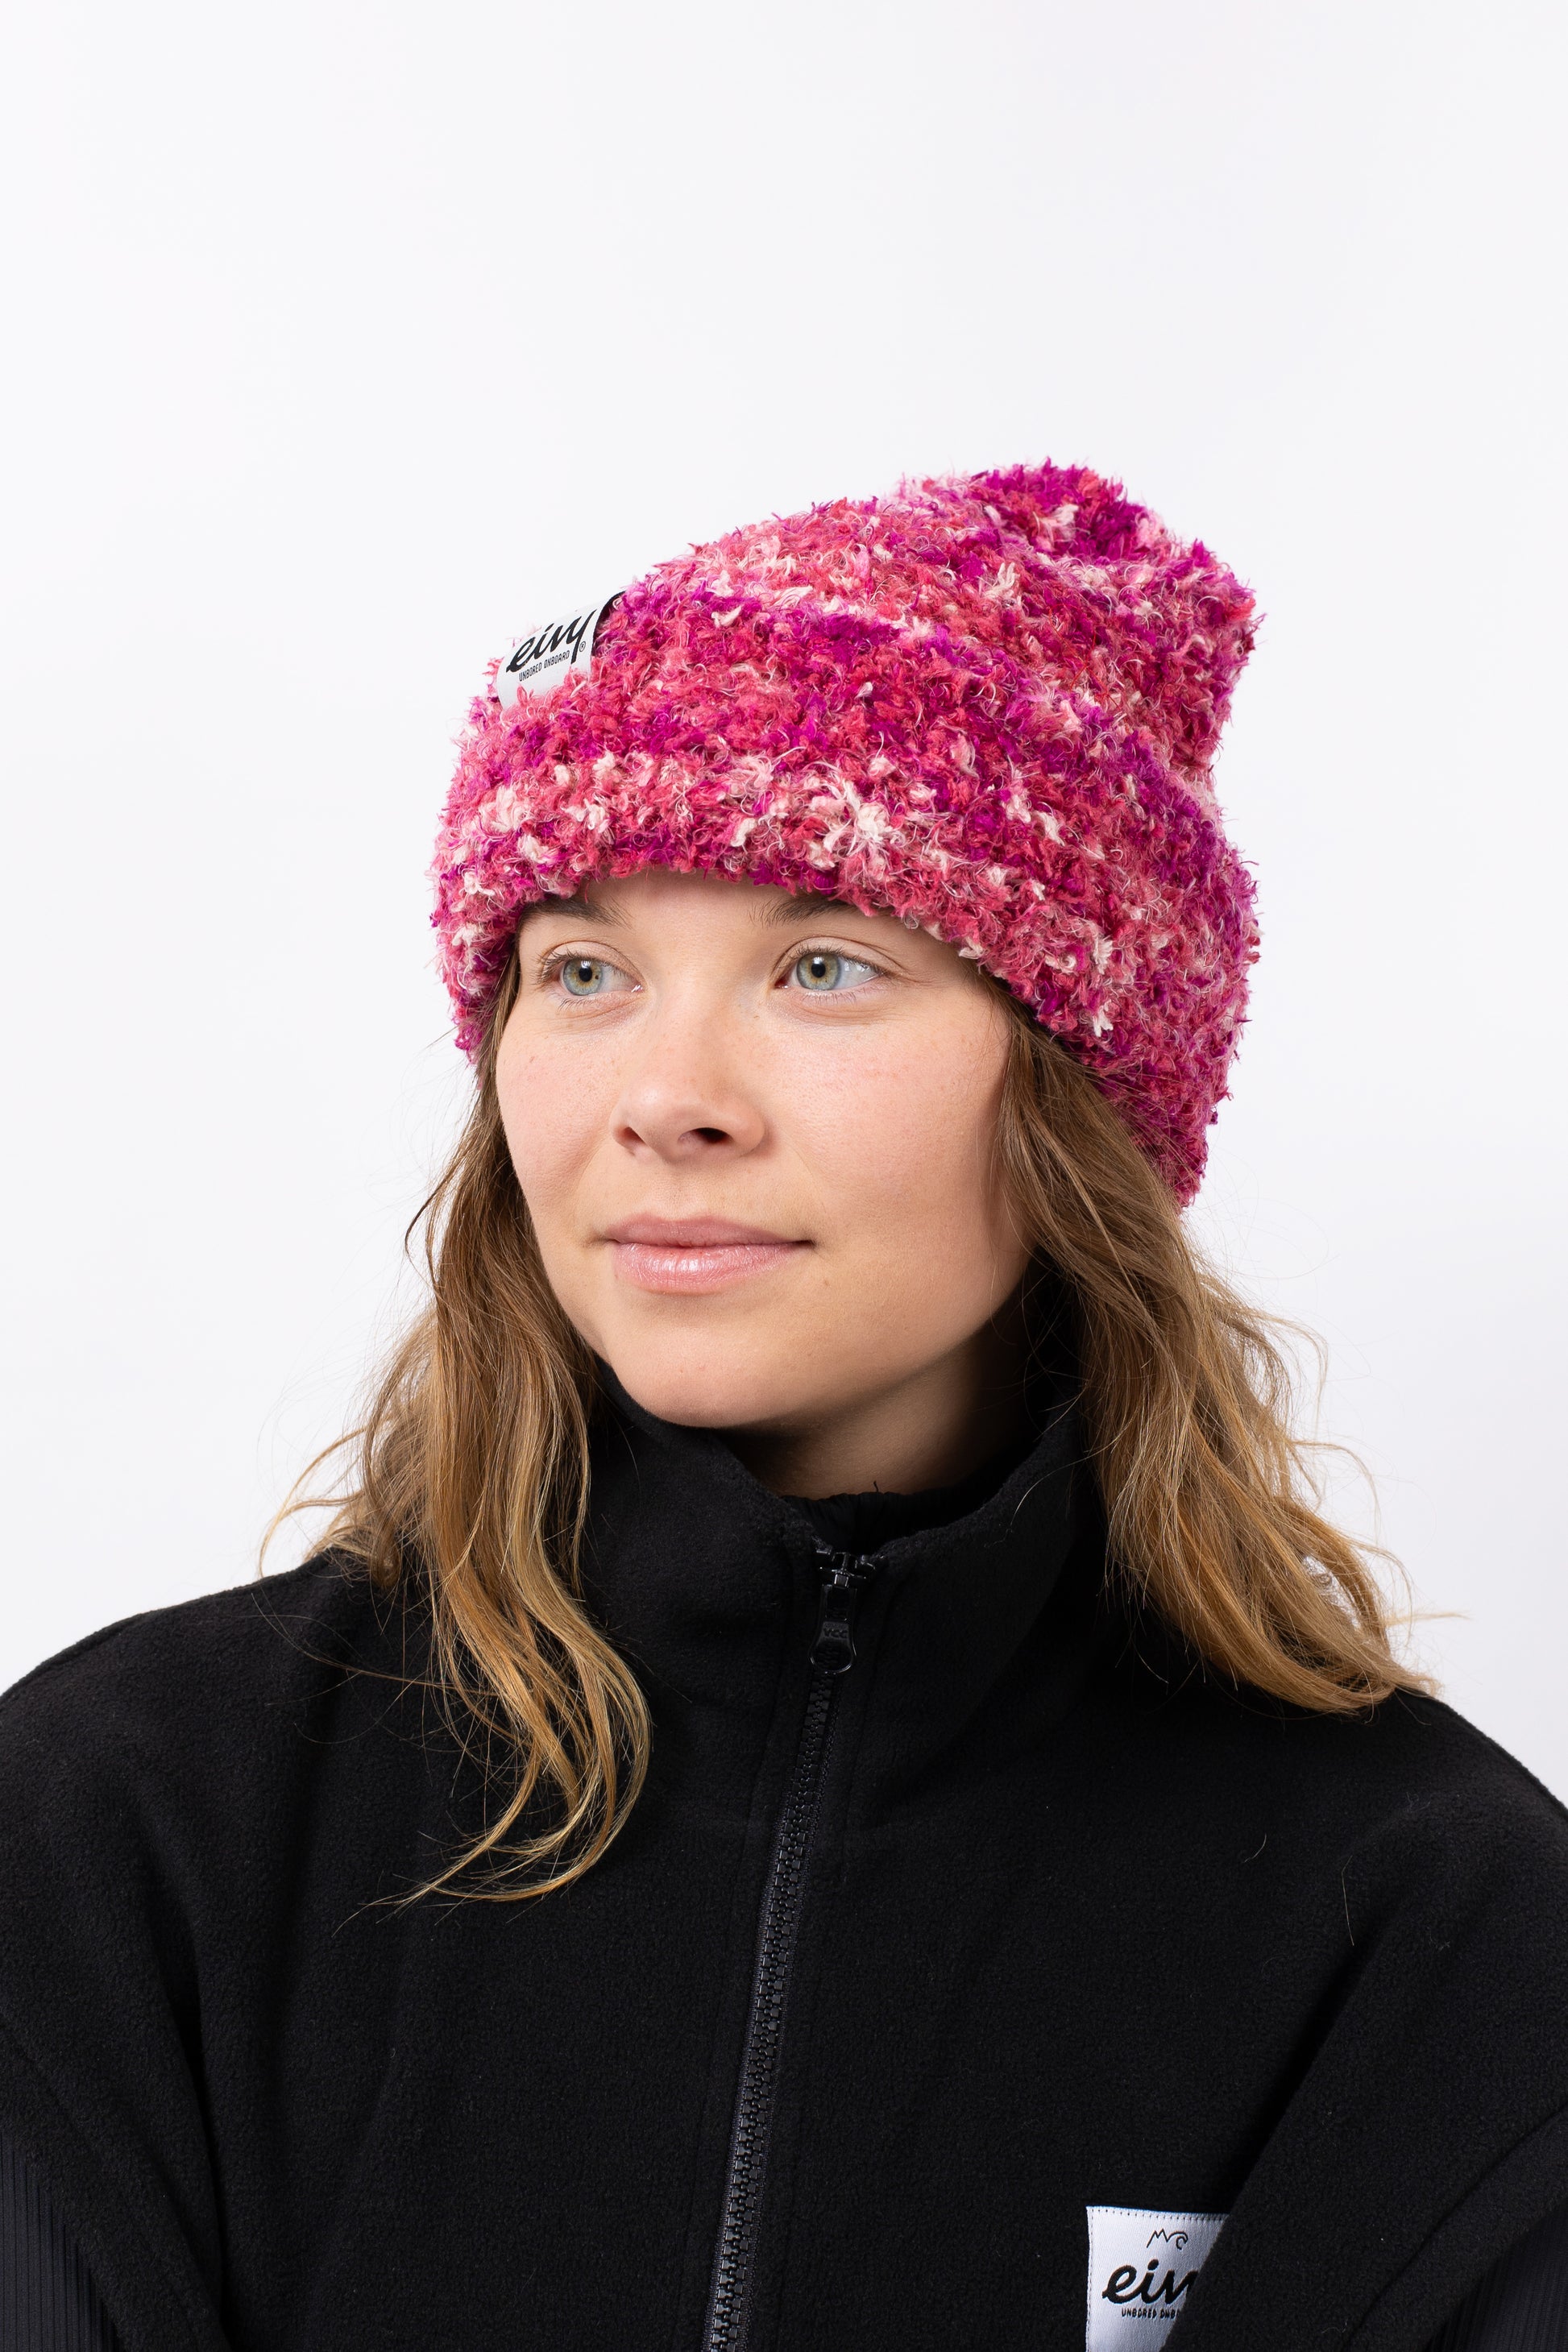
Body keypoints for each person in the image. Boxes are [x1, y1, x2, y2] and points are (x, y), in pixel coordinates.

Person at [2, 463, 1566, 2352]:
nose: (667, 1096)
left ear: (1081, 1087)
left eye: (824, 965)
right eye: (583, 969)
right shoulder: (125, 1821)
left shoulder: (1432, 1918)